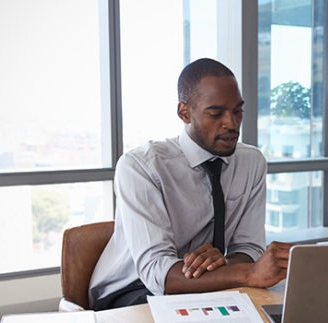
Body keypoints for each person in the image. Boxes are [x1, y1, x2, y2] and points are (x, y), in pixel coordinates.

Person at [88, 58, 292, 310]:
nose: (231, 123)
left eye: (238, 111)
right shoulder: (141, 166)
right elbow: (156, 273)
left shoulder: (251, 162)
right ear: (184, 112)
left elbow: (248, 247)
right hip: (132, 291)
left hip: (207, 286)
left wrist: (225, 264)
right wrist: (248, 273)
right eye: (216, 113)